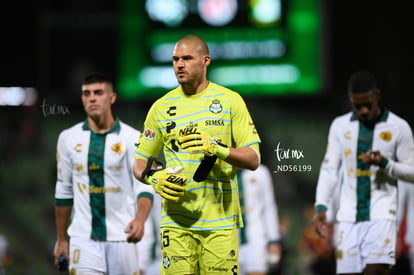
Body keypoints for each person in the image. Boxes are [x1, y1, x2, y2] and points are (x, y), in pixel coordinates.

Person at [133, 34, 261, 275]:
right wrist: (152, 178)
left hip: (220, 224)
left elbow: (253, 158)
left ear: (205, 61)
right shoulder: (160, 107)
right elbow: (139, 161)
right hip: (176, 223)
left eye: (187, 58)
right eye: (175, 59)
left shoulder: (231, 101)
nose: (179, 64)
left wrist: (217, 148)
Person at [313, 70, 414, 275]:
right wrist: (321, 206)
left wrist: (385, 163)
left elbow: (412, 172)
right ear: (351, 100)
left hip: (382, 214)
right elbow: (329, 168)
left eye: (368, 103)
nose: (364, 110)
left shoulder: (399, 127)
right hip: (348, 217)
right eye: (357, 105)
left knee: (375, 271)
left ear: (377, 95)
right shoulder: (340, 126)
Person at [53, 72, 154, 274]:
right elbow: (63, 190)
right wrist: (62, 239)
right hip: (83, 238)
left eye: (98, 92)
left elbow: (144, 184)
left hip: (123, 237)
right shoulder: (67, 138)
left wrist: (140, 220)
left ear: (112, 97)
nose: (91, 98)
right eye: (86, 93)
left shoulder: (133, 138)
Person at [236, 164, 282, 275]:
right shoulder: (220, 170)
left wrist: (274, 240)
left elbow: (269, 206)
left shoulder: (261, 172)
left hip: (256, 237)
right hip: (229, 240)